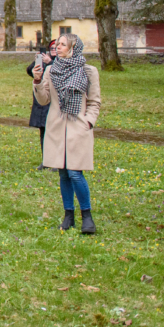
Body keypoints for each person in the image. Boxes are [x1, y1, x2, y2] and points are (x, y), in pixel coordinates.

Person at [32, 34, 102, 234]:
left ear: (73, 48)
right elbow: (44, 100)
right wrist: (37, 80)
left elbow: (95, 101)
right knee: (63, 173)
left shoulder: (88, 71)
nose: (58, 47)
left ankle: (87, 217)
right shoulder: (51, 70)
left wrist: (88, 121)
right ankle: (68, 215)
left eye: (62, 44)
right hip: (56, 128)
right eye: (57, 44)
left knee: (75, 173)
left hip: (78, 127)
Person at [25, 40, 58, 170]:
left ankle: (57, 161)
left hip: (53, 101)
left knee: (55, 133)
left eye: (56, 47)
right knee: (43, 131)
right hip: (41, 101)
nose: (54, 49)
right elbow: (30, 71)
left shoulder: (61, 62)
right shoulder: (44, 60)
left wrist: (50, 62)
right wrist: (37, 61)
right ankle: (46, 160)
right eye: (52, 47)